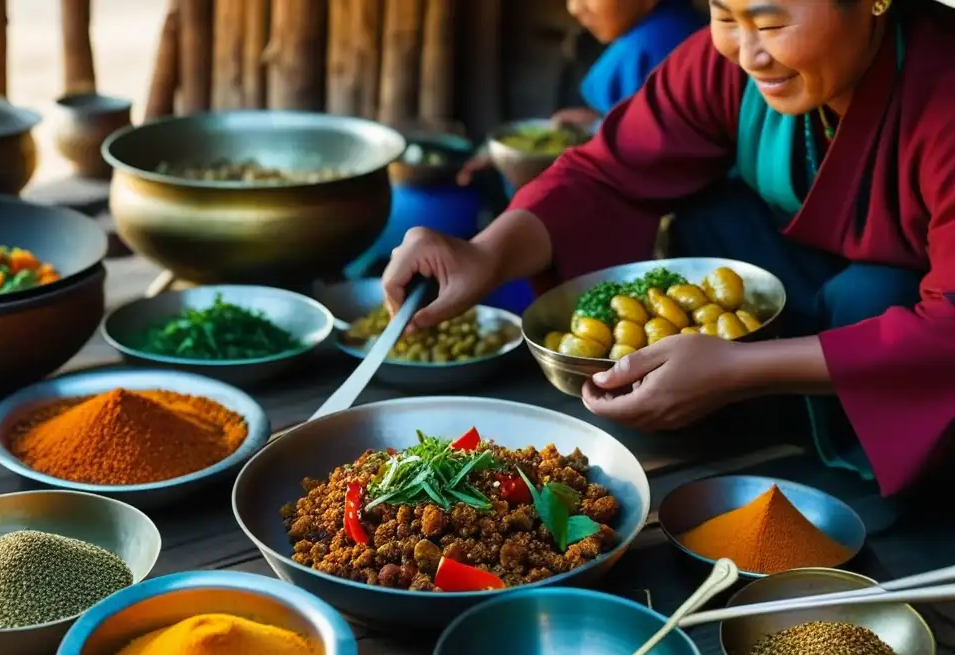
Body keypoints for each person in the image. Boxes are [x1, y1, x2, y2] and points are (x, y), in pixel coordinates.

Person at [382, 0, 955, 498]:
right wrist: (484, 253)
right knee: (712, 218)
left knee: (870, 292)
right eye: (725, 17)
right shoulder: (724, 64)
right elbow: (608, 172)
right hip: (804, 286)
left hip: (910, 345)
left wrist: (741, 370)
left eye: (771, 25)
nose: (748, 53)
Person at [457, 0, 705, 185]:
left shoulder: (649, 47)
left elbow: (645, 152)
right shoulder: (682, 20)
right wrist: (599, 123)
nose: (574, 7)